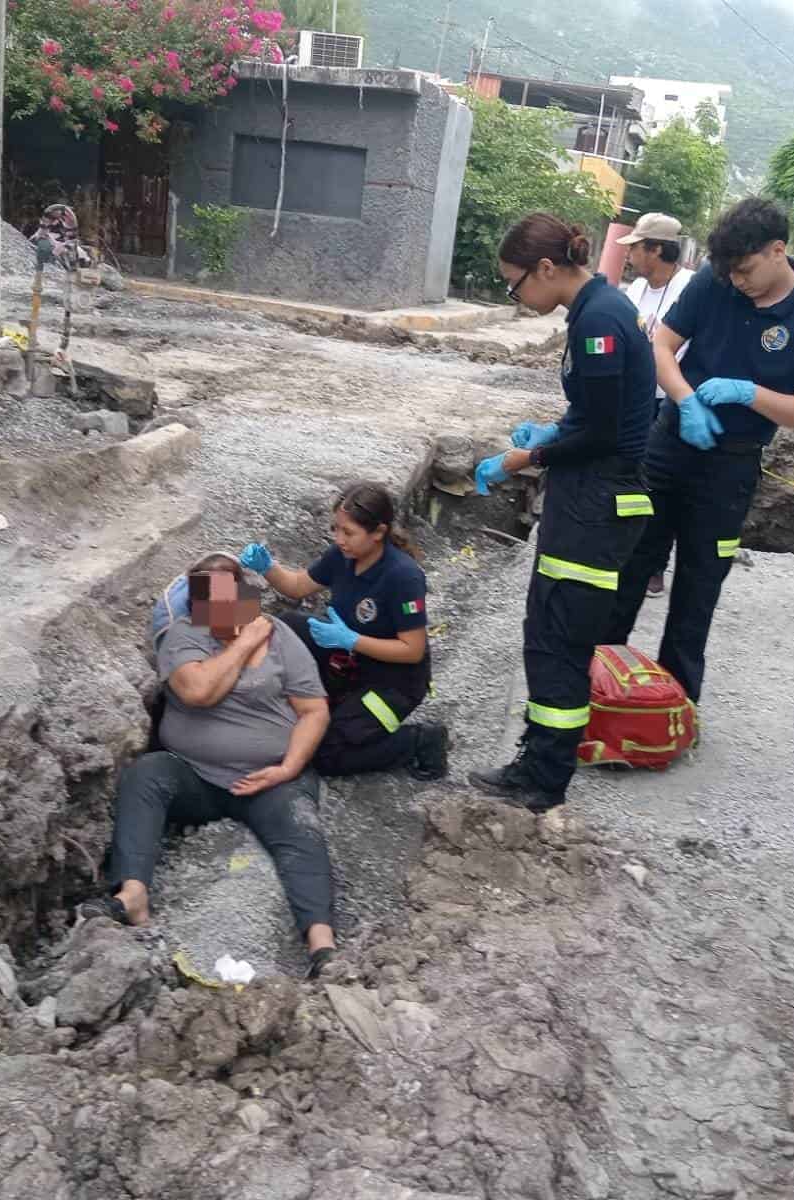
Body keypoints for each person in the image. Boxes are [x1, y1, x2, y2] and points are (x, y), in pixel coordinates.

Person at [609, 197, 794, 705]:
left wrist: (750, 394)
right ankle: (599, 684)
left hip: (731, 466)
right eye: (729, 271)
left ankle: (675, 707)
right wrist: (686, 399)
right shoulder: (711, 283)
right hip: (669, 445)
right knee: (630, 563)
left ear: (778, 250)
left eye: (746, 269)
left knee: (699, 586)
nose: (737, 281)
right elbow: (662, 347)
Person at [465, 214, 657, 812]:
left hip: (595, 502)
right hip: (592, 496)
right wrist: (558, 429)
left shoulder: (598, 319)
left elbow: (601, 430)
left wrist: (530, 455)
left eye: (514, 283)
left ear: (546, 269)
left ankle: (543, 778)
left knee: (556, 638)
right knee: (555, 634)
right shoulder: (599, 309)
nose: (516, 297)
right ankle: (541, 760)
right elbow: (604, 412)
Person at [104, 554, 340, 977]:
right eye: (203, 602)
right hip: (196, 774)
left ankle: (322, 946)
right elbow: (197, 691)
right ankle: (133, 892)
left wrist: (288, 768)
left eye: (223, 599)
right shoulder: (183, 636)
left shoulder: (281, 636)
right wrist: (245, 643)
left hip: (270, 778)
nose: (213, 612)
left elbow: (314, 711)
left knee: (301, 830)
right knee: (145, 776)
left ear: (242, 595)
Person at [240, 483, 450, 782]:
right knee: (286, 624)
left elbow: (412, 650)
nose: (339, 539)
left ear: (378, 532)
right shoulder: (343, 556)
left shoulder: (403, 576)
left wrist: (352, 640)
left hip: (394, 682)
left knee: (327, 753)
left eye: (348, 532)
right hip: (351, 661)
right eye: (335, 529)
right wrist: (267, 567)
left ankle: (419, 741)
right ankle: (317, 698)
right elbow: (298, 586)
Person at [619, 212, 697, 599]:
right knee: (630, 477)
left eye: (635, 247)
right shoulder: (635, 291)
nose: (630, 255)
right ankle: (629, 554)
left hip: (672, 404)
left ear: (656, 249)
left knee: (661, 485)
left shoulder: (690, 289)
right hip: (636, 399)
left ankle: (655, 565)